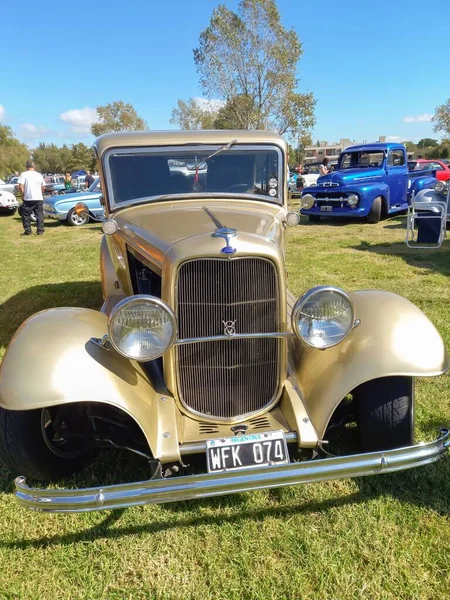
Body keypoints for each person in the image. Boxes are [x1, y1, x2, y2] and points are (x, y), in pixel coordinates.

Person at [18, 160, 45, 236]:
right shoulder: (39, 175)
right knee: (39, 215)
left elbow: (20, 187)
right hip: (39, 197)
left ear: (26, 167)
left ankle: (28, 231)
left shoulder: (24, 175)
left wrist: (22, 195)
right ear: (34, 166)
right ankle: (40, 230)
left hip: (28, 197)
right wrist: (41, 193)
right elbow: (43, 187)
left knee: (26, 215)